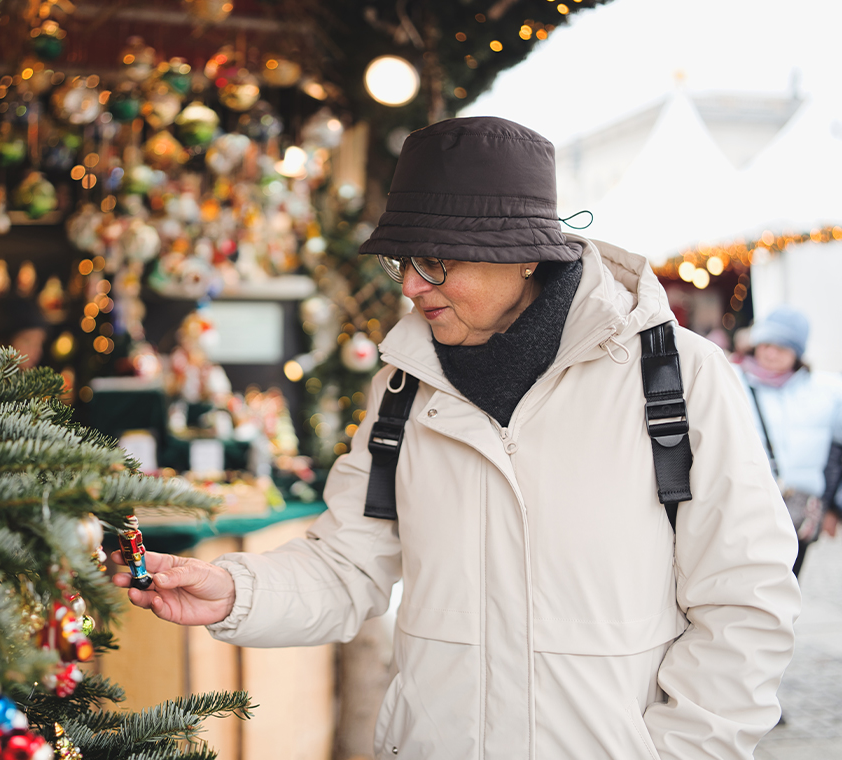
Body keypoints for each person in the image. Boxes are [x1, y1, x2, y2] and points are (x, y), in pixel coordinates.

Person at [112, 117, 800, 759]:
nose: (412, 285)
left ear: (525, 256)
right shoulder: (402, 389)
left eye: (436, 261)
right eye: (404, 262)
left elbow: (745, 602)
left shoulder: (677, 376)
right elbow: (348, 566)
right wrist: (233, 591)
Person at [734, 305, 842, 576]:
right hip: (744, 506)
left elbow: (838, 450)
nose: (770, 353)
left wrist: (836, 508)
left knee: (786, 589)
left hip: (798, 511)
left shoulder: (826, 392)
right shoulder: (732, 382)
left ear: (797, 352)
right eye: (766, 344)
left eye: (782, 348)